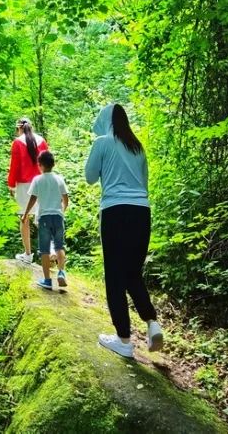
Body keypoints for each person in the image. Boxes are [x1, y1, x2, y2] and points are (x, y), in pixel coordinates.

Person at [85, 103, 163, 358]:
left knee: (115, 277)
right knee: (132, 273)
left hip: (115, 211)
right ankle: (152, 323)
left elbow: (90, 176)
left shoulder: (102, 142)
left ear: (105, 120)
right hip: (142, 211)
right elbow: (144, 183)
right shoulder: (137, 146)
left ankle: (123, 341)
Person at [22, 151, 69, 290]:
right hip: (58, 216)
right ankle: (61, 272)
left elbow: (33, 199)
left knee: (44, 250)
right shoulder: (59, 179)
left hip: (43, 218)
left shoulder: (37, 180)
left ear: (40, 165)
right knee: (60, 246)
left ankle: (47, 280)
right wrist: (62, 210)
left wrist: (25, 214)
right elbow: (65, 198)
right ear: (53, 164)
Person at [7, 117, 49, 263]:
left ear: (19, 128)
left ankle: (28, 254)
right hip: (41, 183)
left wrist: (11, 184)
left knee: (24, 219)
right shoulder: (41, 141)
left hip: (24, 185)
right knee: (42, 216)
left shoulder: (18, 142)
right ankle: (49, 250)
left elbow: (15, 166)